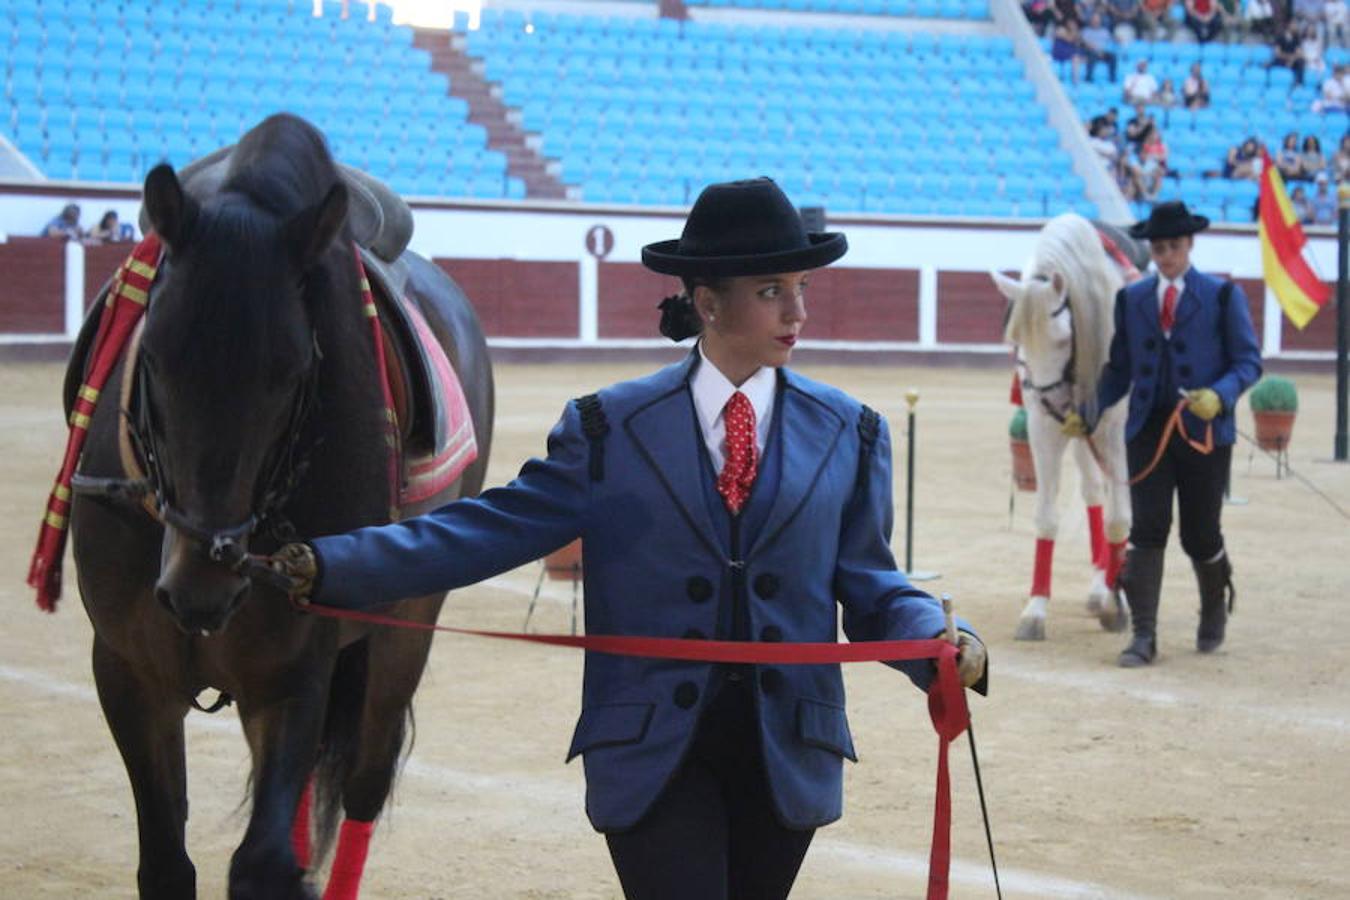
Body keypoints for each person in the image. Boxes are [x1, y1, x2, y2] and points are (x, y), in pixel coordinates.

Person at [266, 178, 989, 900]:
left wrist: (938, 640)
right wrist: (327, 565)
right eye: (772, 290)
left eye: (801, 286)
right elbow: (483, 531)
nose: (798, 311)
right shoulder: (607, 428)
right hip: (650, 752)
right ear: (708, 302)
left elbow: (870, 587)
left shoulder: (852, 433)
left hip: (789, 751)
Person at [1064, 201, 1261, 668]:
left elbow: (1248, 362)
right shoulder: (1131, 299)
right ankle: (1143, 635)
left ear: (1189, 245)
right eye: (1159, 247)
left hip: (1204, 435)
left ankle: (1213, 607)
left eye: (1174, 246)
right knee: (1147, 531)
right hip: (1148, 433)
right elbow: (1119, 369)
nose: (1166, 254)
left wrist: (1220, 394)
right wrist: (1088, 413)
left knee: (1200, 533)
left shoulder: (1221, 296)